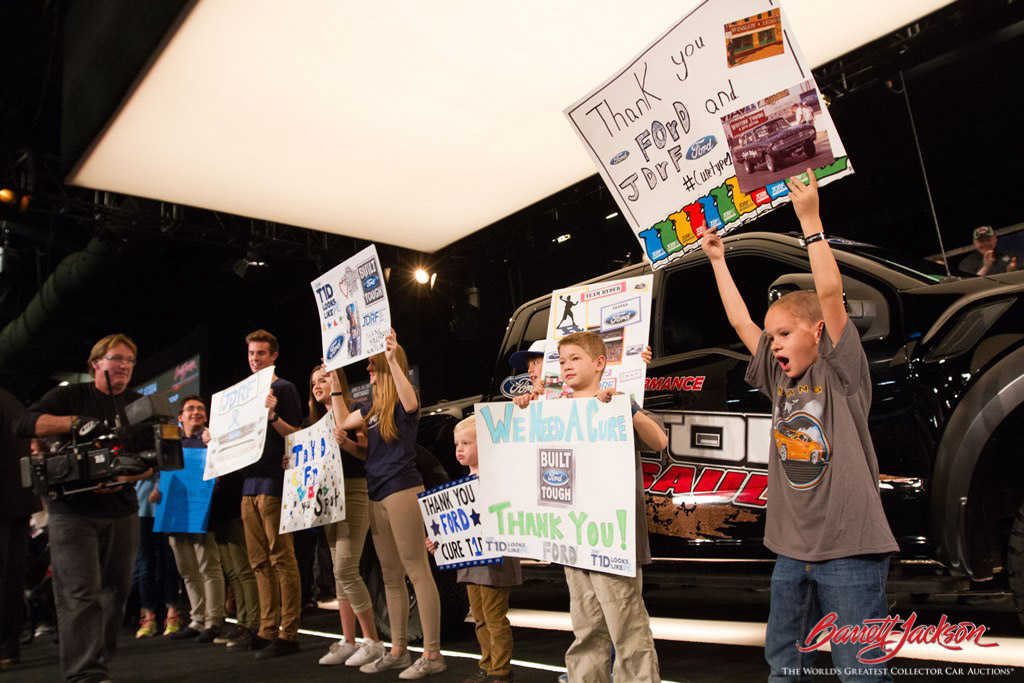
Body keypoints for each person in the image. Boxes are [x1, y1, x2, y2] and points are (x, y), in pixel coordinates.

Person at [702, 170, 899, 680]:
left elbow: (830, 295)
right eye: (772, 339)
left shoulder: (841, 374)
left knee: (860, 670)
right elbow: (743, 324)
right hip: (792, 554)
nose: (774, 345)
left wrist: (810, 221)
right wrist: (719, 263)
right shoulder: (778, 377)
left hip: (851, 552)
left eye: (785, 334)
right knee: (785, 667)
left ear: (817, 333)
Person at [514, 332, 666, 683]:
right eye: (563, 360)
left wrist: (626, 408)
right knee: (586, 631)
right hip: (574, 539)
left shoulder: (616, 403)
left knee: (627, 629)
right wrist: (524, 410)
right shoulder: (551, 408)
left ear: (599, 363)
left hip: (614, 541)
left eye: (575, 359)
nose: (566, 365)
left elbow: (659, 440)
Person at [13, 334, 154, 683]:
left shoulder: (139, 404)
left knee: (117, 591)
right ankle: (85, 672)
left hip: (121, 508)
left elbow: (155, 462)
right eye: (116, 358)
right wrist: (74, 423)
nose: (123, 366)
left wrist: (134, 472)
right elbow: (22, 424)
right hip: (71, 511)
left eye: (129, 361)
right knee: (79, 592)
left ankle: (97, 658)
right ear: (96, 364)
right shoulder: (68, 396)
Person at [337, 329, 446, 679]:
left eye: (372, 366)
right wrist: (335, 384)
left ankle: (432, 654)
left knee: (417, 569)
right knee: (390, 575)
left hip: (402, 488)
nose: (368, 371)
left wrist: (391, 357)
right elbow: (342, 423)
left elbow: (412, 403)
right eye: (368, 366)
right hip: (376, 491)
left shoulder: (402, 399)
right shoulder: (369, 409)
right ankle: (398, 649)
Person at [299, 365, 385, 667]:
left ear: (337, 379)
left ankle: (373, 642)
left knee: (347, 568)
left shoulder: (352, 409)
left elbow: (365, 448)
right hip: (326, 498)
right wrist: (292, 462)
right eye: (313, 382)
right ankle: (348, 641)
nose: (317, 385)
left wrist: (345, 441)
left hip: (353, 491)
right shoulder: (311, 421)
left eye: (323, 378)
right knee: (338, 572)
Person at [426, 415, 521, 683]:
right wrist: (438, 540)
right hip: (470, 564)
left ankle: (500, 671)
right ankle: (487, 665)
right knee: (478, 618)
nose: (459, 449)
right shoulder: (461, 485)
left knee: (494, 618)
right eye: (457, 444)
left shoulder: (497, 479)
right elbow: (456, 524)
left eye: (466, 443)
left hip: (494, 563)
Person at [238, 330, 303, 658]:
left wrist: (273, 416)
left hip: (275, 485)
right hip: (248, 485)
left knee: (281, 557)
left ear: (273, 356)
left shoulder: (283, 389)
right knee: (258, 562)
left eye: (261, 353)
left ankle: (288, 632)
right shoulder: (245, 394)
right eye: (251, 353)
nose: (255, 359)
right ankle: (266, 627)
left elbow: (297, 434)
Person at [161, 396, 226, 643]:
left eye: (200, 408)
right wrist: (159, 488)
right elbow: (164, 473)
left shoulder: (212, 440)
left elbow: (223, 468)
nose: (196, 412)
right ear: (180, 417)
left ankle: (213, 620)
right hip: (176, 511)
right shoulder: (171, 442)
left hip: (203, 510)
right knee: (187, 569)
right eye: (190, 409)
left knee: (208, 565)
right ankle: (197, 619)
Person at [0, 388, 40, 668]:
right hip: (19, 499)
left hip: (6, 500)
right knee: (11, 577)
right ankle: (7, 647)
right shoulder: (11, 398)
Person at [133, 468, 182, 638]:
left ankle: (172, 613)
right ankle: (149, 617)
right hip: (142, 505)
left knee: (169, 561)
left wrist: (158, 482)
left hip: (168, 502)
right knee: (145, 564)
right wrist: (145, 474)